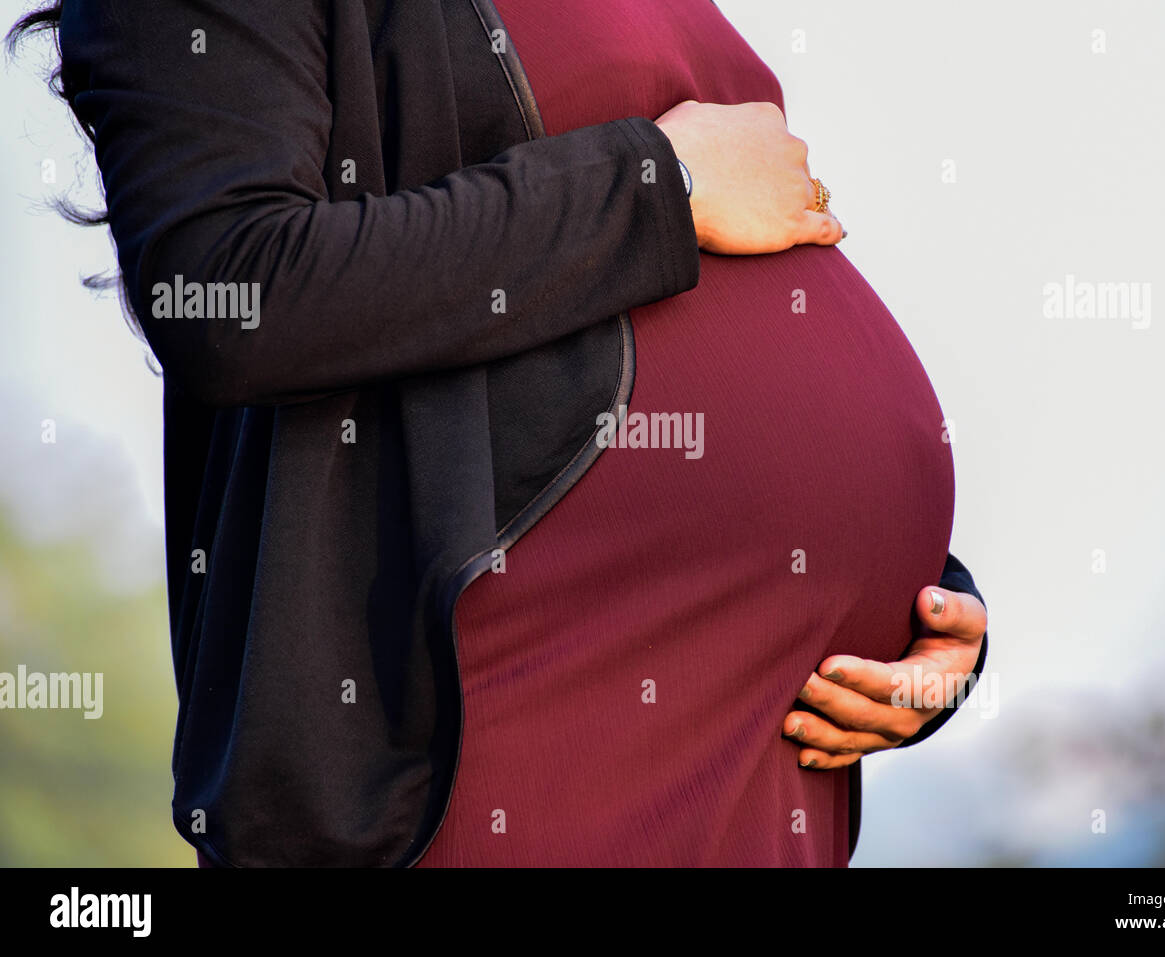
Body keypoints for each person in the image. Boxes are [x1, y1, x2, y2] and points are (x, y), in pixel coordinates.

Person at [10, 0, 988, 866]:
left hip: (763, 755)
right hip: (517, 735)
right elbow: (232, 291)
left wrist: (920, 613)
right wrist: (662, 185)